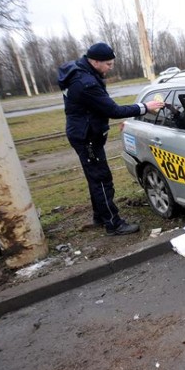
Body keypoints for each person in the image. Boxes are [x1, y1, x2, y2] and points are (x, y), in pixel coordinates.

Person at [57, 42, 164, 235]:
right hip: (87, 136)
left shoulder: (78, 71)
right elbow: (113, 110)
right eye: (108, 64)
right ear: (95, 61)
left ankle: (100, 216)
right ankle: (113, 224)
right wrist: (145, 107)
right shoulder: (85, 83)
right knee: (101, 179)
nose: (110, 68)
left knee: (94, 177)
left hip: (82, 131)